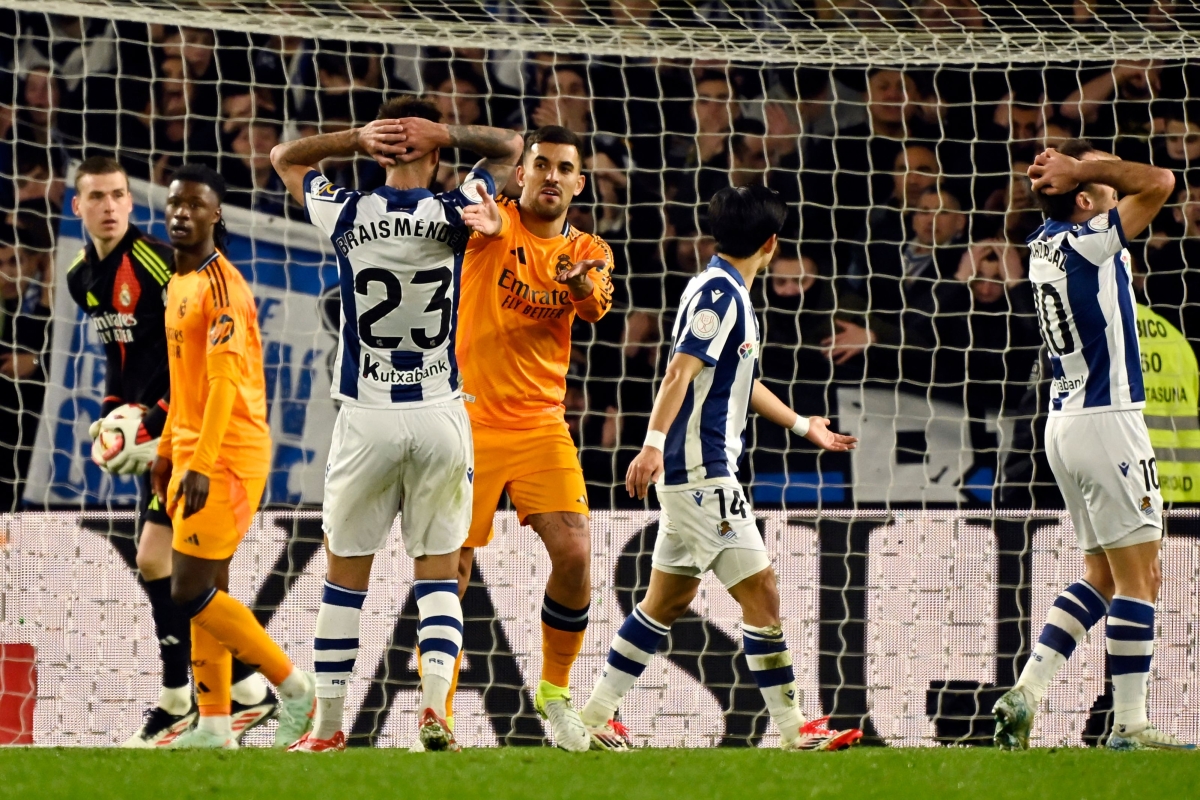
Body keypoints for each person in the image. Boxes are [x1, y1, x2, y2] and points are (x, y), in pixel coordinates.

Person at [269, 98, 523, 753]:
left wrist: (354, 137)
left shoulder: (345, 210)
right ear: (436, 153)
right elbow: (510, 146)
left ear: (381, 150)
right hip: (440, 414)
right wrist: (448, 135)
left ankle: (327, 728)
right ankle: (436, 709)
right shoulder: (458, 208)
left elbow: (283, 157)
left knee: (344, 581)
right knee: (439, 575)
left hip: (368, 417)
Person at [580, 185, 862, 752]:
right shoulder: (719, 295)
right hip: (700, 471)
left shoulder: (720, 287)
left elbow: (738, 380)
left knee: (665, 602)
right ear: (772, 244)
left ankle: (594, 715)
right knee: (762, 590)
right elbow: (679, 372)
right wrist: (652, 445)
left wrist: (804, 426)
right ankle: (794, 729)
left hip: (696, 470)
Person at [409, 123, 615, 751]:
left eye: (565, 168)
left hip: (540, 424)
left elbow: (595, 306)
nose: (552, 176)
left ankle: (554, 692)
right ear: (522, 173)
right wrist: (490, 225)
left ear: (580, 184)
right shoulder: (488, 221)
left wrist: (578, 285)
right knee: (453, 564)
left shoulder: (590, 250)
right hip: (466, 417)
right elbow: (471, 218)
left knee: (575, 551)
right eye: (542, 164)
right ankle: (437, 711)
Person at [66, 157, 276, 746]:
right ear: (77, 206)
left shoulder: (163, 265)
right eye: (96, 197)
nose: (109, 206)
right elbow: (119, 354)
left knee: (176, 568)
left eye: (117, 195)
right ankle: (219, 695)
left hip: (188, 432)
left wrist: (154, 420)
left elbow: (192, 361)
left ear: (132, 203)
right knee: (164, 564)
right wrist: (116, 411)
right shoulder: (81, 276)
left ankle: (236, 689)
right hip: (157, 434)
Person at [993, 139, 1194, 751]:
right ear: (1084, 202)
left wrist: (1078, 174)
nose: (1115, 188)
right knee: (1143, 577)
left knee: (1102, 575)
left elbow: (1132, 190)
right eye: (1104, 187)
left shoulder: (1043, 245)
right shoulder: (1088, 242)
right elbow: (1159, 181)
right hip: (1107, 423)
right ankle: (1129, 726)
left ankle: (1026, 692)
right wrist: (1084, 168)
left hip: (1066, 423)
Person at [149, 164, 315, 749]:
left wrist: (200, 461)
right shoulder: (178, 283)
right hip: (192, 449)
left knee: (188, 589)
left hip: (227, 455)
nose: (182, 213)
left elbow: (223, 385)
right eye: (175, 203)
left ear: (216, 215)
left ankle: (294, 688)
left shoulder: (223, 288)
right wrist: (167, 450)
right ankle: (216, 723)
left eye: (195, 205)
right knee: (209, 589)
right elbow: (186, 379)